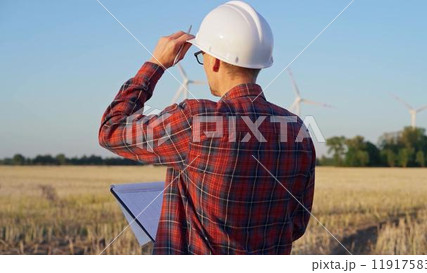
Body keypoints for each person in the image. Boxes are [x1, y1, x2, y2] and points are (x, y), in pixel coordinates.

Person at [99, 1, 315, 254]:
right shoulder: (296, 129)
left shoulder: (196, 120)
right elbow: (297, 224)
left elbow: (111, 129)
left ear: (213, 62)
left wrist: (155, 64)